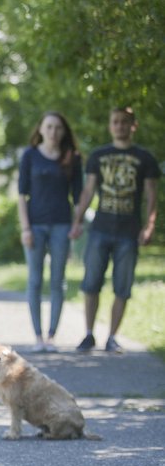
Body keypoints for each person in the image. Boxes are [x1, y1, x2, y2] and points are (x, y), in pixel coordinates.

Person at [70, 107, 159, 354]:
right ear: (110, 125)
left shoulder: (145, 158)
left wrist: (149, 225)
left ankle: (112, 336)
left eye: (124, 122)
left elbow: (152, 195)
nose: (119, 126)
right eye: (115, 122)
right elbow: (88, 191)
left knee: (122, 286)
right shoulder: (98, 156)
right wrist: (77, 220)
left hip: (129, 232)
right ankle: (88, 334)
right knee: (91, 283)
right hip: (100, 229)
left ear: (133, 126)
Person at [16, 112, 83, 353]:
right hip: (34, 225)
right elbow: (21, 195)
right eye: (49, 127)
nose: (53, 132)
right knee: (34, 280)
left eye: (58, 128)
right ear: (41, 129)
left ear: (63, 132)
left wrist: (77, 223)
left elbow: (78, 197)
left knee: (58, 281)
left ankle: (52, 336)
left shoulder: (71, 158)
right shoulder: (30, 156)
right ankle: (37, 336)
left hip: (61, 225)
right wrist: (25, 228)